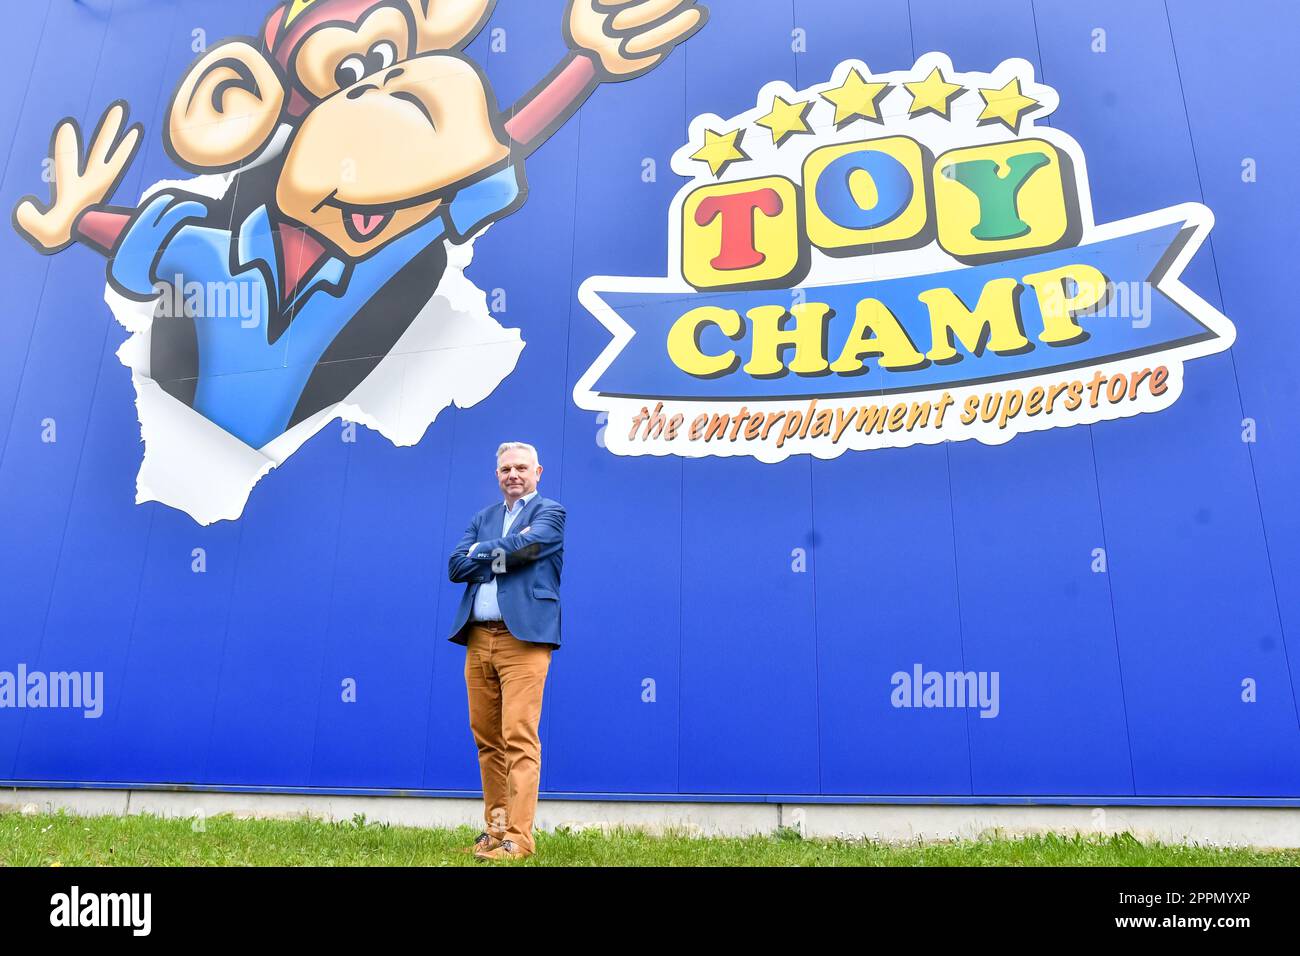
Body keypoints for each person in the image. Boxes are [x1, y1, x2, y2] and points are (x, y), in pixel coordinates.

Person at [447, 441, 565, 860]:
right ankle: (495, 831)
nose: (512, 475)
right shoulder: (484, 517)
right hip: (479, 639)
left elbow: (531, 548)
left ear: (538, 472)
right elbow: (455, 566)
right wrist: (499, 553)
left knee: (518, 737)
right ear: (496, 475)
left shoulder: (550, 512)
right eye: (505, 469)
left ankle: (519, 837)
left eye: (521, 468)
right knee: (487, 740)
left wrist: (485, 553)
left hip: (524, 640)